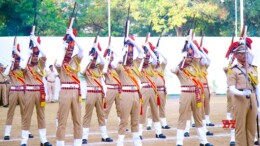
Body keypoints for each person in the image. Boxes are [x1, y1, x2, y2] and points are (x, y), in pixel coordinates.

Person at [171, 33, 213, 146]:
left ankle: (204, 141)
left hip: (196, 93)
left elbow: (199, 54)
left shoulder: (195, 66)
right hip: (185, 93)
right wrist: (181, 61)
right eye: (188, 56)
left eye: (191, 56)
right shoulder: (179, 69)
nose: (190, 58)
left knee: (198, 117)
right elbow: (172, 69)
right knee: (183, 117)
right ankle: (179, 142)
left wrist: (190, 42)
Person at [110, 36, 144, 146]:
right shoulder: (120, 66)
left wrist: (132, 42)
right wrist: (122, 52)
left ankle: (137, 143)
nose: (130, 56)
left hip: (136, 94)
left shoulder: (135, 64)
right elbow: (112, 64)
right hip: (125, 95)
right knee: (124, 121)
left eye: (131, 54)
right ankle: (120, 143)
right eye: (128, 54)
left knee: (135, 121)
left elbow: (141, 52)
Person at [227, 37, 259, 146]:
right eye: (241, 53)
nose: (244, 55)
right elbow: (231, 88)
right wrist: (242, 93)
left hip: (252, 98)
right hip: (240, 99)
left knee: (251, 126)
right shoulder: (233, 69)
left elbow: (256, 86)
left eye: (245, 53)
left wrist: (258, 104)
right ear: (236, 55)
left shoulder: (252, 68)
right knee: (240, 127)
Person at [21, 34, 52, 146]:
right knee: (26, 116)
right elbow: (21, 65)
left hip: (39, 92)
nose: (35, 57)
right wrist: (28, 54)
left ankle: (43, 140)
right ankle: (24, 141)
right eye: (33, 55)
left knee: (41, 116)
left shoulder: (41, 64)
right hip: (29, 92)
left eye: (36, 55)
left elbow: (44, 54)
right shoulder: (26, 65)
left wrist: (36, 42)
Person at [55, 28, 83, 146]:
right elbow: (57, 62)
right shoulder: (60, 61)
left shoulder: (75, 59)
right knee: (62, 121)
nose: (70, 51)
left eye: (72, 49)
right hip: (65, 91)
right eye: (68, 48)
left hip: (76, 92)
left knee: (77, 120)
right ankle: (60, 144)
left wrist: (72, 36)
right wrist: (64, 46)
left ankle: (77, 143)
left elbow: (82, 50)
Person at [81, 40, 113, 144]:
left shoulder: (99, 68)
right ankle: (84, 137)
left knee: (101, 115)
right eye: (93, 59)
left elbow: (103, 61)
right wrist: (90, 59)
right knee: (88, 115)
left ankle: (104, 135)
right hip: (90, 93)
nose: (94, 61)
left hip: (99, 94)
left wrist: (97, 51)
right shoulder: (87, 69)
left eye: (95, 59)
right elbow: (82, 71)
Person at [4, 40, 34, 140]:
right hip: (13, 92)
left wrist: (17, 53)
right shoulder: (10, 69)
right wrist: (11, 61)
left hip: (22, 92)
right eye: (15, 61)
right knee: (10, 112)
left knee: (24, 112)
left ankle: (27, 131)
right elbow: (5, 73)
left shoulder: (22, 69)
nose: (17, 62)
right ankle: (7, 133)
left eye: (18, 61)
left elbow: (25, 61)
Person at [138, 41, 166, 139]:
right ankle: (139, 133)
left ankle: (158, 132)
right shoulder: (139, 66)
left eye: (148, 58)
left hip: (153, 90)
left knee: (155, 111)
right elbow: (139, 65)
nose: (147, 59)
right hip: (144, 89)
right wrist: (143, 56)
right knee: (142, 111)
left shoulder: (151, 66)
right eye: (145, 58)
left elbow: (154, 59)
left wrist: (149, 49)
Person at [103, 44, 121, 124]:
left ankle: (122, 123)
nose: (111, 58)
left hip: (119, 89)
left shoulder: (116, 66)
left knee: (120, 108)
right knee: (106, 108)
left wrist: (112, 51)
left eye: (112, 57)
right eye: (110, 56)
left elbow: (120, 58)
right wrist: (107, 59)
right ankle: (103, 124)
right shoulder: (105, 66)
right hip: (110, 89)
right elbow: (103, 71)